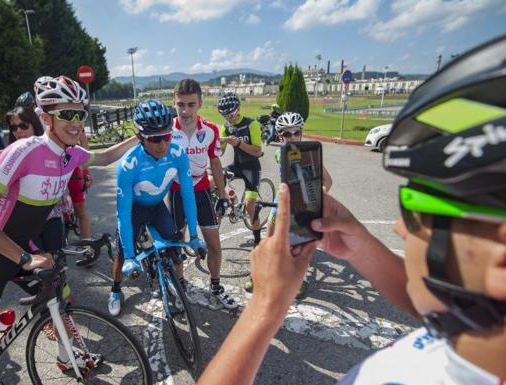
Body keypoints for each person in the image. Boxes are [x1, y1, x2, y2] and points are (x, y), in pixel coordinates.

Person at [197, 35, 506, 385]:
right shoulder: (474, 328)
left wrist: (266, 307)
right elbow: (434, 298)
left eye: (416, 209)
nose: (400, 228)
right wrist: (363, 245)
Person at [0, 75, 137, 385]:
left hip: (17, 249)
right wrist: (26, 258)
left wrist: (139, 136)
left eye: (80, 113)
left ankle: (69, 357)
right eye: (67, 113)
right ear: (45, 117)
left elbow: (105, 156)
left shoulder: (71, 154)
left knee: (59, 297)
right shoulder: (24, 150)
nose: (76, 121)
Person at [108, 99, 206, 317]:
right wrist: (132, 256)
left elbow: (188, 194)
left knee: (175, 249)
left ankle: (179, 284)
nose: (162, 144)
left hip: (157, 207)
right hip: (133, 210)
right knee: (122, 256)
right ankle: (115, 290)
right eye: (155, 139)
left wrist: (193, 234)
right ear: (140, 137)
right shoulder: (128, 165)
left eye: (167, 136)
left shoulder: (178, 154)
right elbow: (123, 213)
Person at [243, 111, 333, 293]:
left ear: (301, 133)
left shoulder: (309, 153)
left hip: (304, 201)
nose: (292, 137)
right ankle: (258, 274)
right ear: (280, 136)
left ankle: (300, 276)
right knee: (269, 238)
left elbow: (328, 181)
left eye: (296, 132)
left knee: (300, 243)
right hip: (283, 198)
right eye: (286, 133)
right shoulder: (279, 153)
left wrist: (315, 200)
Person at [168, 79, 237, 309]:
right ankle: (179, 284)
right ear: (174, 103)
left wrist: (224, 197)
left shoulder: (210, 130)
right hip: (177, 193)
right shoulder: (166, 130)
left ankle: (216, 286)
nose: (185, 110)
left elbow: (215, 163)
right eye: (180, 105)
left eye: (190, 104)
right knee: (176, 246)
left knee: (214, 245)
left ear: (200, 104)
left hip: (201, 192)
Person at [217, 91, 264, 245]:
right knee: (217, 176)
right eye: (225, 115)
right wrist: (212, 145)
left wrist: (237, 143)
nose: (229, 118)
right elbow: (220, 151)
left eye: (231, 114)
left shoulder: (251, 124)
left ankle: (258, 241)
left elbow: (257, 151)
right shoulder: (226, 128)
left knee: (250, 206)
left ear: (239, 108)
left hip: (252, 168)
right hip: (237, 166)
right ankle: (231, 200)